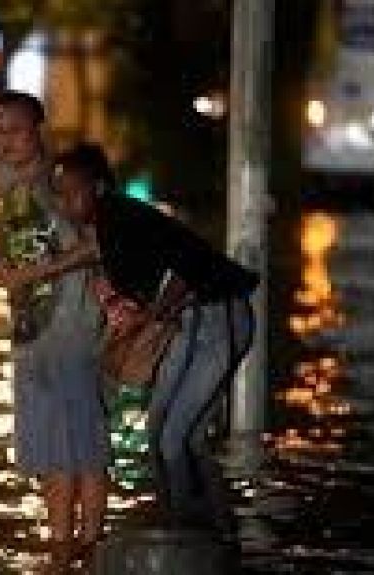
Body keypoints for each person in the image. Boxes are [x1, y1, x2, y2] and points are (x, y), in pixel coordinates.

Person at [0, 94, 109, 571]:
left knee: (82, 447)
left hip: (73, 330)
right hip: (32, 335)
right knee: (52, 451)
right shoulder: (14, 196)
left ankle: (81, 549)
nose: (5, 140)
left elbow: (97, 244)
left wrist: (38, 273)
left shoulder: (63, 184)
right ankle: (64, 551)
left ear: (38, 130)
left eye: (14, 129)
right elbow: (0, 264)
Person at [94, 187, 258, 537]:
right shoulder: (116, 240)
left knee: (176, 439)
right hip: (192, 323)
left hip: (216, 317)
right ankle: (200, 525)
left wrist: (149, 315)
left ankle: (188, 531)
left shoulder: (132, 229)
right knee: (164, 433)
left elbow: (184, 272)